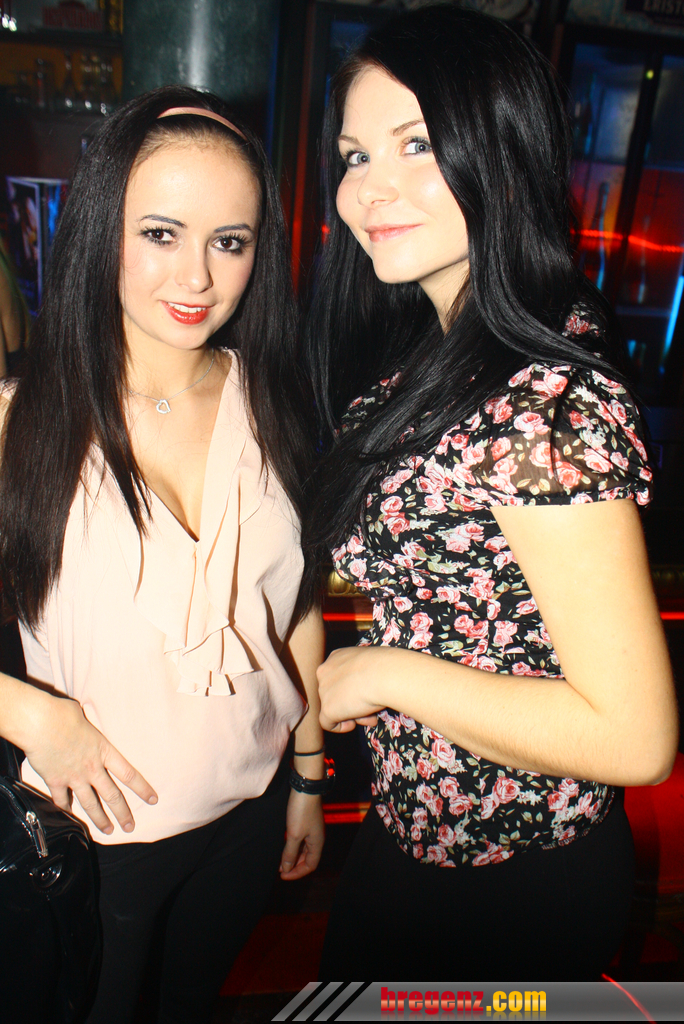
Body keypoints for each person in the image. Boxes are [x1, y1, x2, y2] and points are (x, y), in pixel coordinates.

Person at [305, 6, 678, 981]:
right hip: (412, 834)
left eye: (416, 144)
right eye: (354, 155)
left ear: (503, 158)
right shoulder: (430, 364)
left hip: (517, 884)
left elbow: (635, 736)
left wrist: (381, 673)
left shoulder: (544, 404)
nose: (369, 186)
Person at [0, 85, 325, 1023]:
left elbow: (295, 610)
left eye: (231, 241)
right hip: (95, 831)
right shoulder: (22, 423)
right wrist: (36, 718)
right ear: (101, 232)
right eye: (160, 234)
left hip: (249, 810)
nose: (198, 277)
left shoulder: (280, 403)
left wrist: (309, 775)